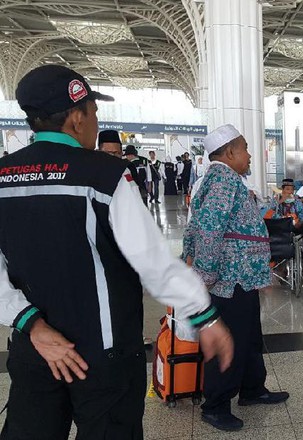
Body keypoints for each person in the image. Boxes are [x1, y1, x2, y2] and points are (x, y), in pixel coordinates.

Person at [0, 65, 232, 439]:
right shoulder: (105, 175)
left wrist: (31, 324)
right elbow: (151, 261)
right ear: (77, 118)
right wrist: (203, 315)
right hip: (103, 353)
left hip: (35, 347)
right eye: (93, 111)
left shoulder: (3, 175)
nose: (95, 120)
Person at [184, 124, 288, 431]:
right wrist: (206, 275)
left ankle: (252, 389)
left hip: (242, 278)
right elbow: (208, 231)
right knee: (230, 342)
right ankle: (215, 405)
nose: (250, 153)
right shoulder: (222, 181)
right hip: (227, 281)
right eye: (244, 147)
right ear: (230, 152)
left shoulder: (227, 179)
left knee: (250, 338)